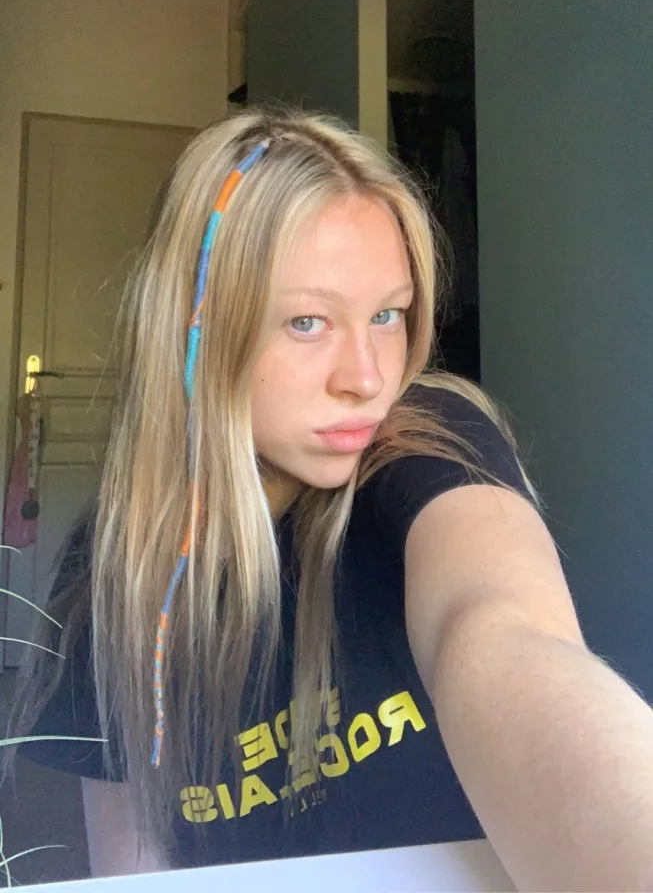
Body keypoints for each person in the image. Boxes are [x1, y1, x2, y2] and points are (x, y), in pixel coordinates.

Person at [11, 108, 653, 890]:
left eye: (386, 315)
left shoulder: (421, 437)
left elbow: (500, 628)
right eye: (308, 321)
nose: (368, 377)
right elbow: (134, 865)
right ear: (192, 330)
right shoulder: (117, 564)